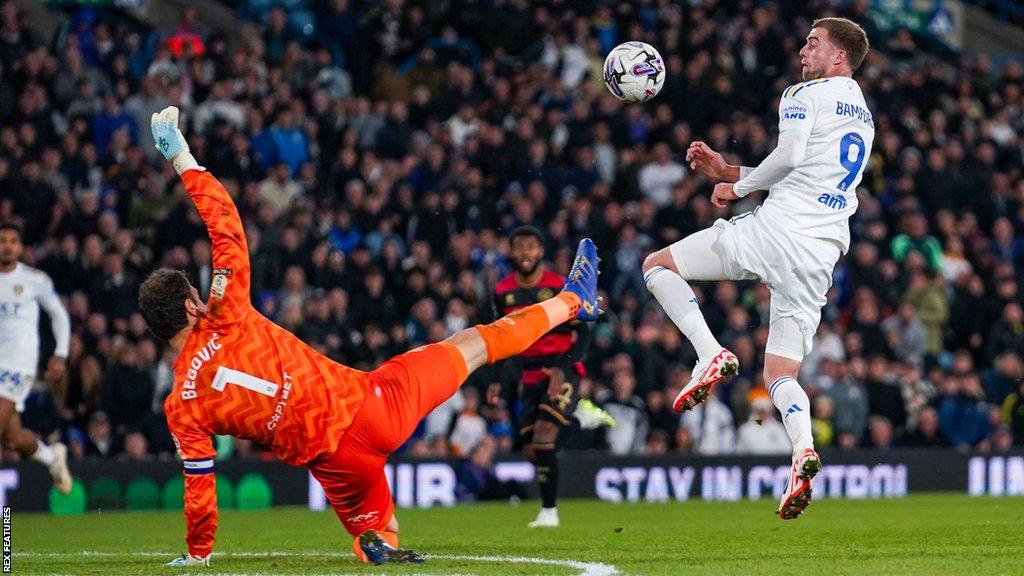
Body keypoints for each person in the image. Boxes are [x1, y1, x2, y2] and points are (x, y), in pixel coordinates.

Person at [144, 107, 601, 568]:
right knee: (476, 344)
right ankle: (573, 302)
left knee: (380, 532)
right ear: (190, 306)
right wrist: (182, 158)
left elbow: (199, 481)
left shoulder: (180, 406)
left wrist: (199, 554)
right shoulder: (226, 315)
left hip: (336, 467)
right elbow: (226, 227)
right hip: (370, 407)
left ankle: (374, 541)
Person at [641, 17, 873, 520]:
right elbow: (800, 171)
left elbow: (788, 155)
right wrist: (728, 171)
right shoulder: (862, 115)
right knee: (780, 372)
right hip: (821, 252)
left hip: (776, 232)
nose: (801, 50)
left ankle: (708, 353)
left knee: (658, 266)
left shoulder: (803, 94)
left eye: (814, 43)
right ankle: (803, 451)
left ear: (839, 58)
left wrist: (736, 188)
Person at [490, 225, 611, 528]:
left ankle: (549, 512)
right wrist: (497, 378)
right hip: (527, 372)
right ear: (511, 251)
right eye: (520, 246)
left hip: (561, 367)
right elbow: (499, 336)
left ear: (541, 251)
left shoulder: (561, 286)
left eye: (532, 246)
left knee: (545, 437)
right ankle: (580, 417)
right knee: (533, 450)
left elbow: (582, 332)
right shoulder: (502, 290)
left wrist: (562, 367)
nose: (525, 253)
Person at [0, 221, 73, 494]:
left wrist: (60, 355)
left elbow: (59, 315)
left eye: (12, 240)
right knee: (13, 438)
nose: (7, 245)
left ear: (20, 248)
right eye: (2, 240)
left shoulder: (34, 280)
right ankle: (51, 456)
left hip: (18, 365)